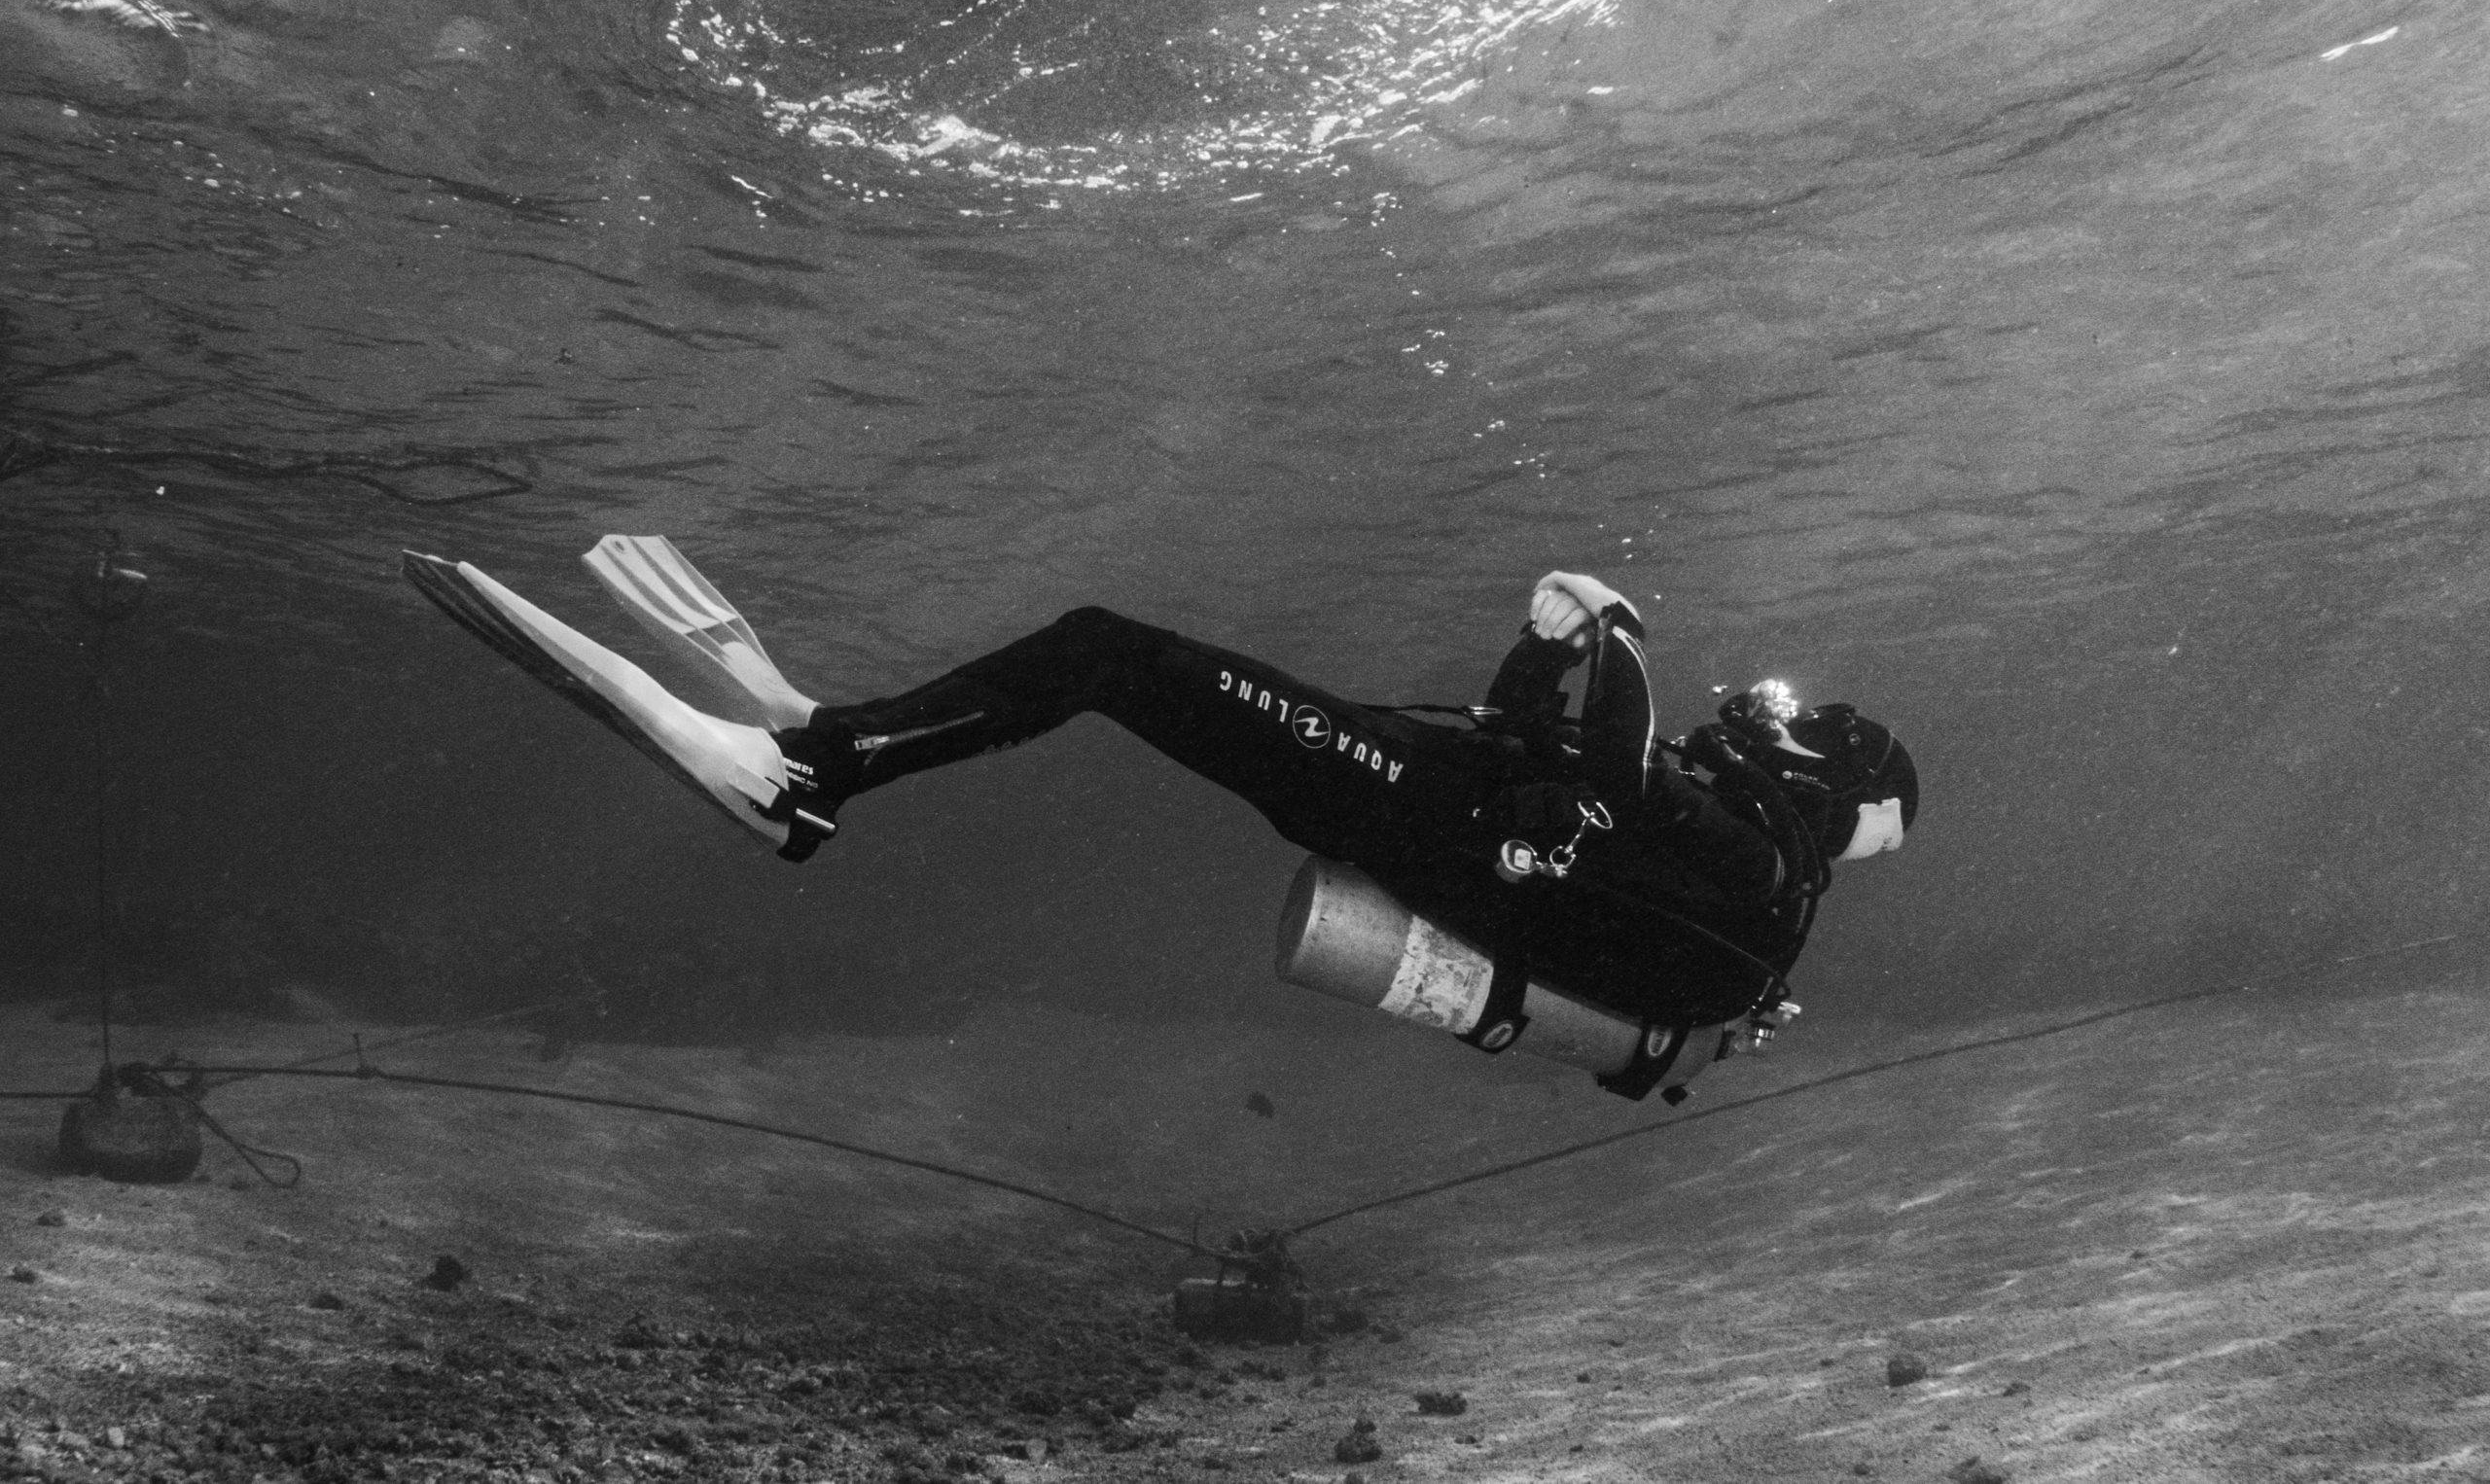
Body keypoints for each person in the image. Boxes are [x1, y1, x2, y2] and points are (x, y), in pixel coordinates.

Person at [403, 541, 1917, 1093]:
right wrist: (1553, 642)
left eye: (1795, 729)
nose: (1762, 723)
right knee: (1110, 657)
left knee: (1108, 651)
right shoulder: (1745, 885)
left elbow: (1592, 785)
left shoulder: (1758, 868)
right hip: (1416, 812)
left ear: (1828, 792)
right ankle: (826, 742)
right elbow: (1547, 753)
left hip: (1410, 814)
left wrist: (1622, 637)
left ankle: (814, 778)